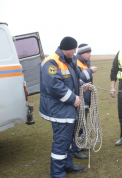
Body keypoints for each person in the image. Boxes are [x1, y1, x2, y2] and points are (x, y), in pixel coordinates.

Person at [39, 37, 88, 177]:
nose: (75, 52)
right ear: (66, 49)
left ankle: (67, 165)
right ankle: (57, 173)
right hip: (58, 109)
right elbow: (54, 86)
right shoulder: (51, 62)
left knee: (67, 140)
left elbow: (72, 78)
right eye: (73, 49)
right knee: (61, 142)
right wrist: (73, 99)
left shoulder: (69, 59)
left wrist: (82, 85)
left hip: (66, 108)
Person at [70, 44, 97, 159]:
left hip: (85, 98)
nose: (90, 54)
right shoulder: (76, 62)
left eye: (90, 52)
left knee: (83, 124)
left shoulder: (86, 62)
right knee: (79, 125)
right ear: (81, 54)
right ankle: (76, 149)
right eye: (87, 53)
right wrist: (90, 71)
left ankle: (80, 145)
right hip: (80, 99)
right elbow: (78, 77)